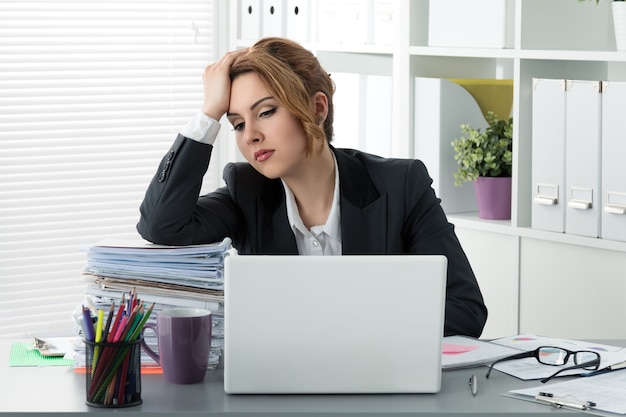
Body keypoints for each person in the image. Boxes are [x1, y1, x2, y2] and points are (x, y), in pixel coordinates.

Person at [137, 37, 488, 337]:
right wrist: (208, 114)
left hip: (380, 381)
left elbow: (464, 309)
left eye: (266, 111)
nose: (251, 136)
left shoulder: (400, 185)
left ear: (317, 107)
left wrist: (347, 328)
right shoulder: (247, 192)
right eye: (237, 123)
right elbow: (161, 225)